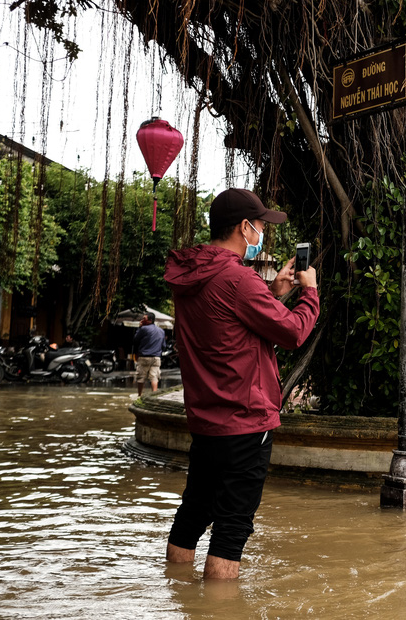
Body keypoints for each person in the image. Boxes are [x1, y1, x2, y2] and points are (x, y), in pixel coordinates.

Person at [163, 187, 319, 580]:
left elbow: (227, 326)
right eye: (261, 226)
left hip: (206, 420)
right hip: (246, 422)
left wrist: (272, 293)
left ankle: (178, 592)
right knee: (232, 529)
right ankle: (216, 608)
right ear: (245, 227)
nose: (262, 234)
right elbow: (295, 333)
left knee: (193, 512)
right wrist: (310, 292)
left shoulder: (190, 277)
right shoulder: (238, 280)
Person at [133, 312, 167, 397]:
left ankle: (139, 395)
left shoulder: (143, 329)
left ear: (150, 320)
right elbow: (164, 346)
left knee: (141, 377)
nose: (142, 320)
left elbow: (135, 340)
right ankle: (154, 396)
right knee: (154, 377)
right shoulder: (161, 331)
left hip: (144, 356)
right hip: (156, 358)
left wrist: (139, 327)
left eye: (144, 318)